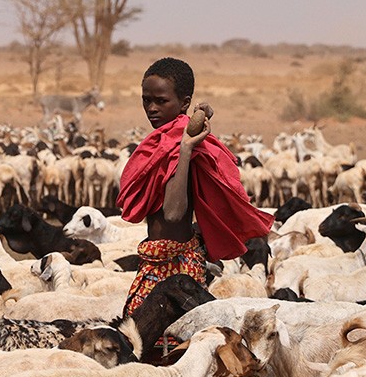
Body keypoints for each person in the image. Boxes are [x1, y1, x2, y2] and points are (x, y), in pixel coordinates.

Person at [116, 57, 274, 331]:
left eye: (161, 101)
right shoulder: (164, 142)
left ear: (183, 102)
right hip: (153, 261)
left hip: (175, 270)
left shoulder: (183, 146)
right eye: (146, 100)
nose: (151, 109)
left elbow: (174, 213)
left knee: (152, 346)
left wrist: (186, 149)